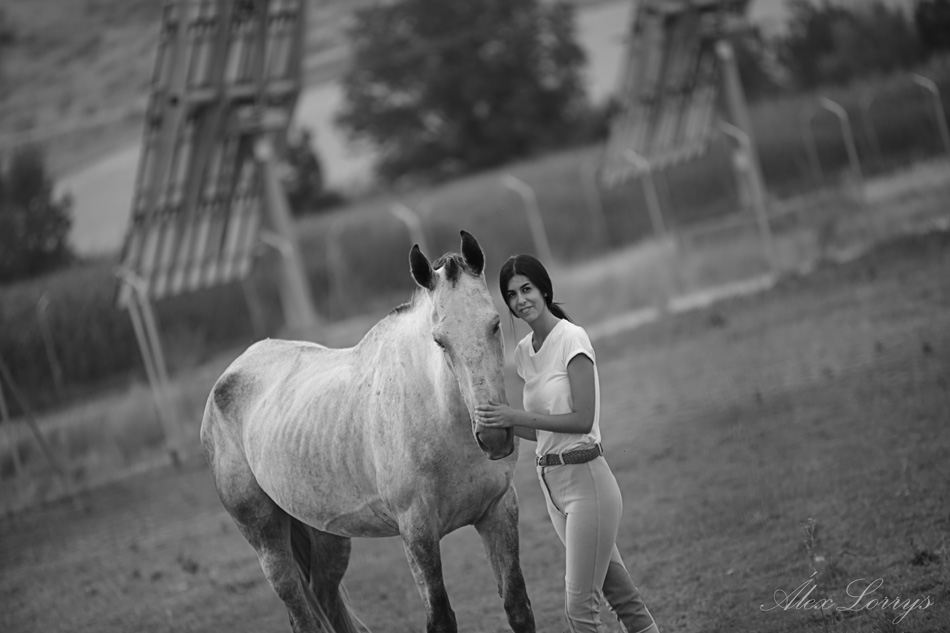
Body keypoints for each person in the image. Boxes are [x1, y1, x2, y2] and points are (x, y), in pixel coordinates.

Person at [475, 254, 660, 633]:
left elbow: (582, 420)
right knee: (624, 600)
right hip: (552, 489)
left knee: (579, 611)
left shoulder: (572, 339)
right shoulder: (524, 352)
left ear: (544, 289)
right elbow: (542, 430)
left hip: (587, 482)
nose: (520, 300)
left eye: (526, 289)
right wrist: (498, 424)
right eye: (511, 295)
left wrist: (514, 416)